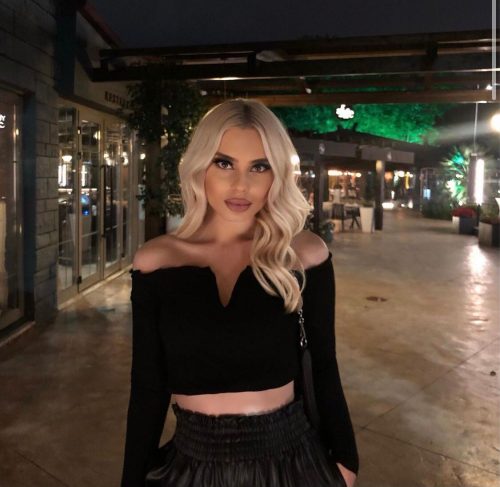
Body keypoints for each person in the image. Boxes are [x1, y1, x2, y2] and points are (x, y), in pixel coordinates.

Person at [121, 99, 359, 487]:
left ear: (277, 174)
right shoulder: (157, 262)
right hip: (189, 467)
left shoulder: (303, 256)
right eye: (224, 163)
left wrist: (346, 462)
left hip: (293, 465)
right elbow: (147, 387)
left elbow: (324, 365)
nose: (240, 185)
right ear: (200, 166)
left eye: (259, 166)